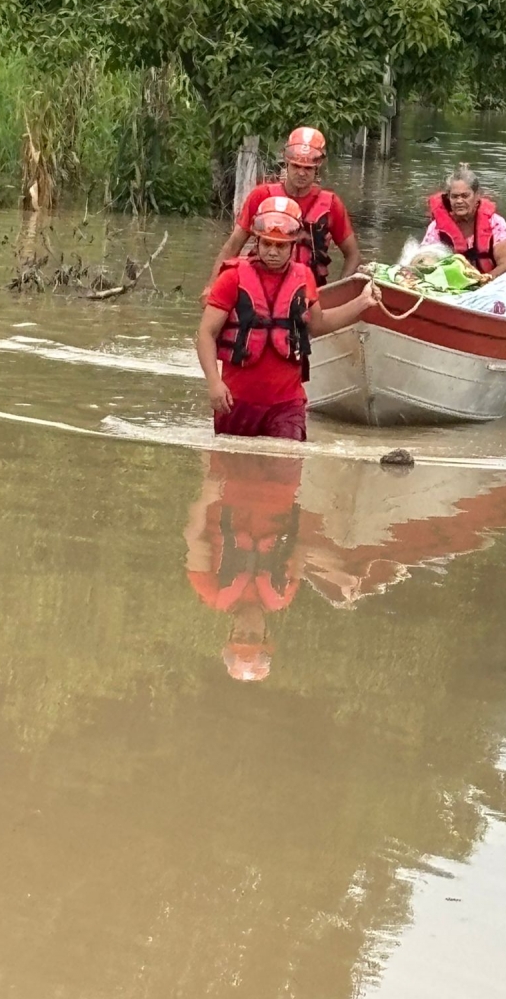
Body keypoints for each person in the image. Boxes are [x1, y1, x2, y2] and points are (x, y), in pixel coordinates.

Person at [197, 194, 374, 441]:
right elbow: (206, 334)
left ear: (293, 245)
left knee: (286, 470)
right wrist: (214, 383)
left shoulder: (304, 277)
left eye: (280, 246)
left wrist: (362, 303)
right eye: (266, 244)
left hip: (287, 405)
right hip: (236, 402)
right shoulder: (232, 277)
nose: (272, 252)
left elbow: (318, 325)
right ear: (256, 242)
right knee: (233, 475)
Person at [184, 452, 304, 683]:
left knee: (233, 428)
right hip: (281, 490)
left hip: (230, 489)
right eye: (252, 635)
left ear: (230, 632)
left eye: (239, 634)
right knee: (287, 441)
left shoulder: (211, 591)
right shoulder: (282, 594)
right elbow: (302, 546)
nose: (245, 628)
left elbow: (193, 536)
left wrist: (206, 498)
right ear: (266, 634)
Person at [205, 127, 361, 293]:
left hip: (309, 293)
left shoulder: (331, 204)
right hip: (260, 290)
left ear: (317, 167)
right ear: (286, 163)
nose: (301, 173)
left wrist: (336, 293)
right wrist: (212, 287)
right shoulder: (261, 196)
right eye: (296, 166)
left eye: (307, 168)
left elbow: (353, 255)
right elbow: (233, 246)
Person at [423, 164, 506, 280]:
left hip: (493, 283)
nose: (459, 201)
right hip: (452, 285)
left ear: (477, 196)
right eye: (454, 196)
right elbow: (424, 258)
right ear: (448, 198)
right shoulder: (436, 228)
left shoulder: (495, 223)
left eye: (465, 196)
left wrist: (485, 280)